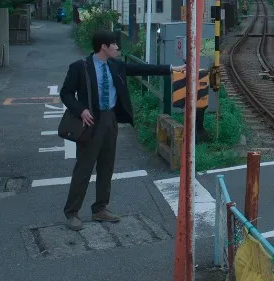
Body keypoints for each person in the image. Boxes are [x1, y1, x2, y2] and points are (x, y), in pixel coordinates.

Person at [59, 30, 185, 231]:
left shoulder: (116, 65)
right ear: (104, 47)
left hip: (110, 119)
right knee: (84, 167)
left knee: (106, 166)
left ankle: (100, 208)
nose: (118, 48)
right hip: (90, 120)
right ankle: (72, 212)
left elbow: (142, 69)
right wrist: (80, 110)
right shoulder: (80, 67)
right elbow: (65, 93)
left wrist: (172, 69)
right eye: (115, 45)